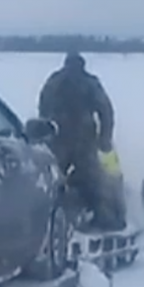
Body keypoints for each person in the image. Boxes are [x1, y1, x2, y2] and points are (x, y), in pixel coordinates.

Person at [38, 52, 123, 230]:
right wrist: (105, 138)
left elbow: (43, 106)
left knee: (53, 178)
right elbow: (106, 111)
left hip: (57, 137)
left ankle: (48, 218)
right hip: (83, 139)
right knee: (94, 178)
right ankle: (102, 218)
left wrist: (45, 132)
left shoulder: (53, 81)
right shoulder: (90, 82)